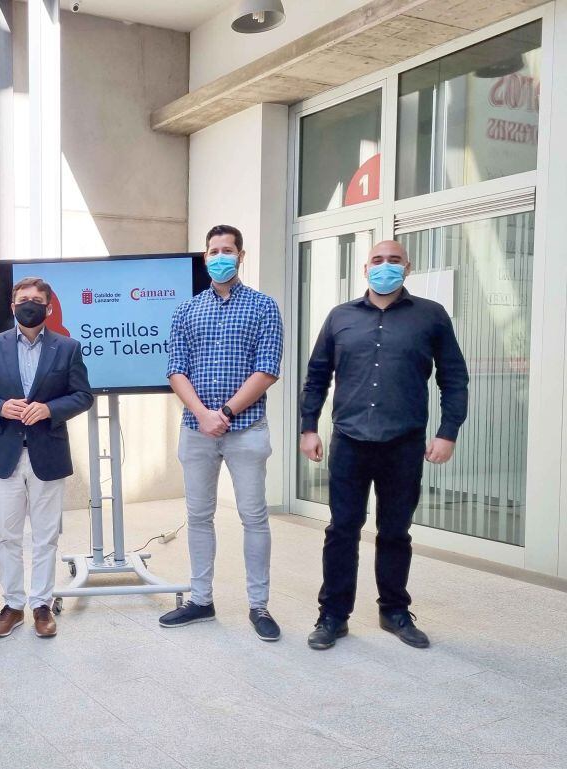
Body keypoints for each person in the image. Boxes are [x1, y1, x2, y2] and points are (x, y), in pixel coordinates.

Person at [301, 240, 468, 651]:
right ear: (365, 269)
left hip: (404, 443)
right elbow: (317, 375)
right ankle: (333, 616)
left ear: (407, 268)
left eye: (394, 261)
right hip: (349, 441)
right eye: (378, 260)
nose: (386, 266)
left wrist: (448, 432)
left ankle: (393, 610)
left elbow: (453, 377)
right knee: (342, 530)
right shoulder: (340, 317)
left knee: (395, 531)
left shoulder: (431, 316)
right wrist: (309, 427)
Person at [158, 224, 284, 641]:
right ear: (205, 256)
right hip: (196, 430)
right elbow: (176, 369)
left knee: (254, 517)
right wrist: (202, 414)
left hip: (246, 429)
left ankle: (259, 606)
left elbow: (267, 369)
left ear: (241, 255)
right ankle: (200, 600)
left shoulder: (264, 306)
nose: (219, 256)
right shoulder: (186, 310)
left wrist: (225, 412)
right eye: (213, 251)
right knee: (197, 516)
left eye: (227, 250)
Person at [0, 276, 93, 639]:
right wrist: (1, 407)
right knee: (8, 536)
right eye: (23, 299)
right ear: (12, 305)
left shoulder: (67, 348)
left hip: (47, 453)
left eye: (37, 299)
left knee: (45, 536)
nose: (30, 304)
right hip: (5, 452)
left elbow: (83, 396)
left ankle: (41, 604)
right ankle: (12, 605)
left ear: (49, 307)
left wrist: (49, 409)